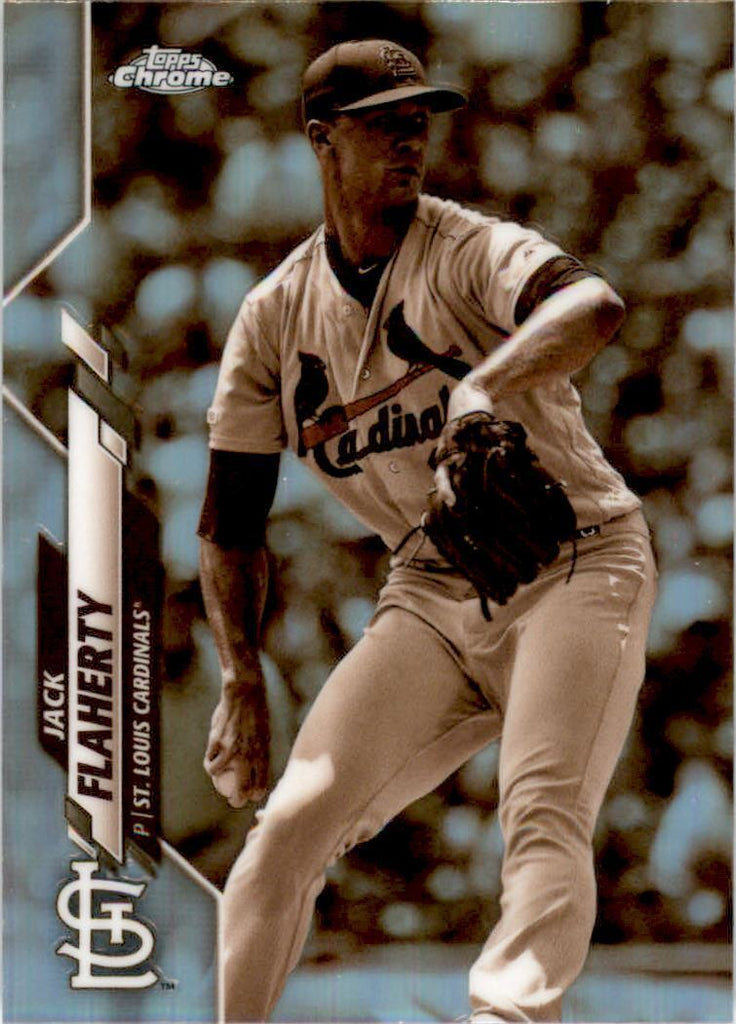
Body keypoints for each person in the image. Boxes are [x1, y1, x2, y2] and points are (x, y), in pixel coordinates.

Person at [198, 38, 657, 1023]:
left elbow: (594, 302)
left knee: (540, 811)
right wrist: (240, 677)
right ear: (322, 141)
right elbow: (230, 520)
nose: (410, 141)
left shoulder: (463, 247)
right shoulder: (274, 319)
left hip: (578, 560)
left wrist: (484, 385)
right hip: (432, 589)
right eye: (382, 126)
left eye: (418, 122)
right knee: (286, 833)